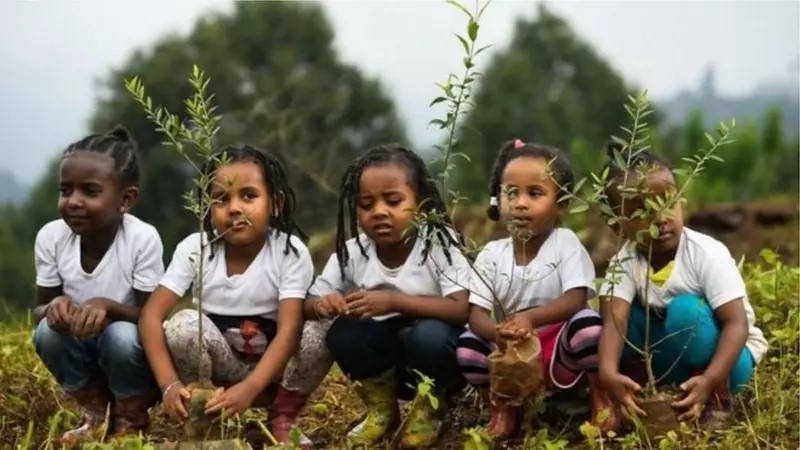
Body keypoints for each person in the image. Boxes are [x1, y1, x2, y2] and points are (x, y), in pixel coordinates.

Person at [138, 145, 315, 445]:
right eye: (221, 199)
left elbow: (289, 331)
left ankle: (282, 416)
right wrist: (169, 385)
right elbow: (151, 317)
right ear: (207, 207)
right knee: (181, 325)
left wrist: (250, 387)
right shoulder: (195, 249)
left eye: (249, 195)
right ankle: (203, 416)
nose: (234, 208)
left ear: (276, 203)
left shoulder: (289, 252)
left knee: (317, 330)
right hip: (220, 370)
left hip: (275, 374)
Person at [596, 146, 768, 429]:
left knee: (686, 311)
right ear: (617, 225)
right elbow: (616, 320)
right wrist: (607, 371)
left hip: (728, 363)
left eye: (667, 202)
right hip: (672, 363)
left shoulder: (706, 253)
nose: (660, 217)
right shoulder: (624, 260)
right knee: (620, 317)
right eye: (642, 210)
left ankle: (717, 400)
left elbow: (736, 324)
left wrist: (711, 380)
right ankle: (641, 395)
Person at [456, 139, 617, 438]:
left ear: (561, 204)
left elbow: (576, 299)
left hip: (557, 353)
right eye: (511, 193)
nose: (520, 203)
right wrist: (496, 335)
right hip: (510, 353)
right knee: (467, 345)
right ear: (497, 198)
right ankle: (502, 408)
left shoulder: (564, 242)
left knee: (588, 327)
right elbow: (476, 313)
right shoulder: (491, 253)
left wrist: (531, 319)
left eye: (535, 193)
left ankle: (601, 399)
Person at [315, 144, 471, 448]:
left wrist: (393, 301)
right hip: (389, 364)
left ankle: (431, 410)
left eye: (394, 201)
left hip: (437, 359)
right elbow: (314, 297)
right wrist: (323, 304)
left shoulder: (438, 244)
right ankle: (382, 411)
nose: (380, 212)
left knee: (428, 336)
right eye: (366, 204)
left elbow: (461, 309)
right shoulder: (354, 251)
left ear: (422, 204)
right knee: (344, 332)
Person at [32, 128, 163, 444]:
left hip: (131, 354)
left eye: (90, 192)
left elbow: (153, 317)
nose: (73, 202)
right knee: (47, 333)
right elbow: (37, 310)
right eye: (66, 191)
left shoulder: (141, 240)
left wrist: (108, 307)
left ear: (125, 199)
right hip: (83, 351)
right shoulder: (51, 237)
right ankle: (94, 413)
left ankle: (131, 415)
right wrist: (53, 308)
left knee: (119, 336)